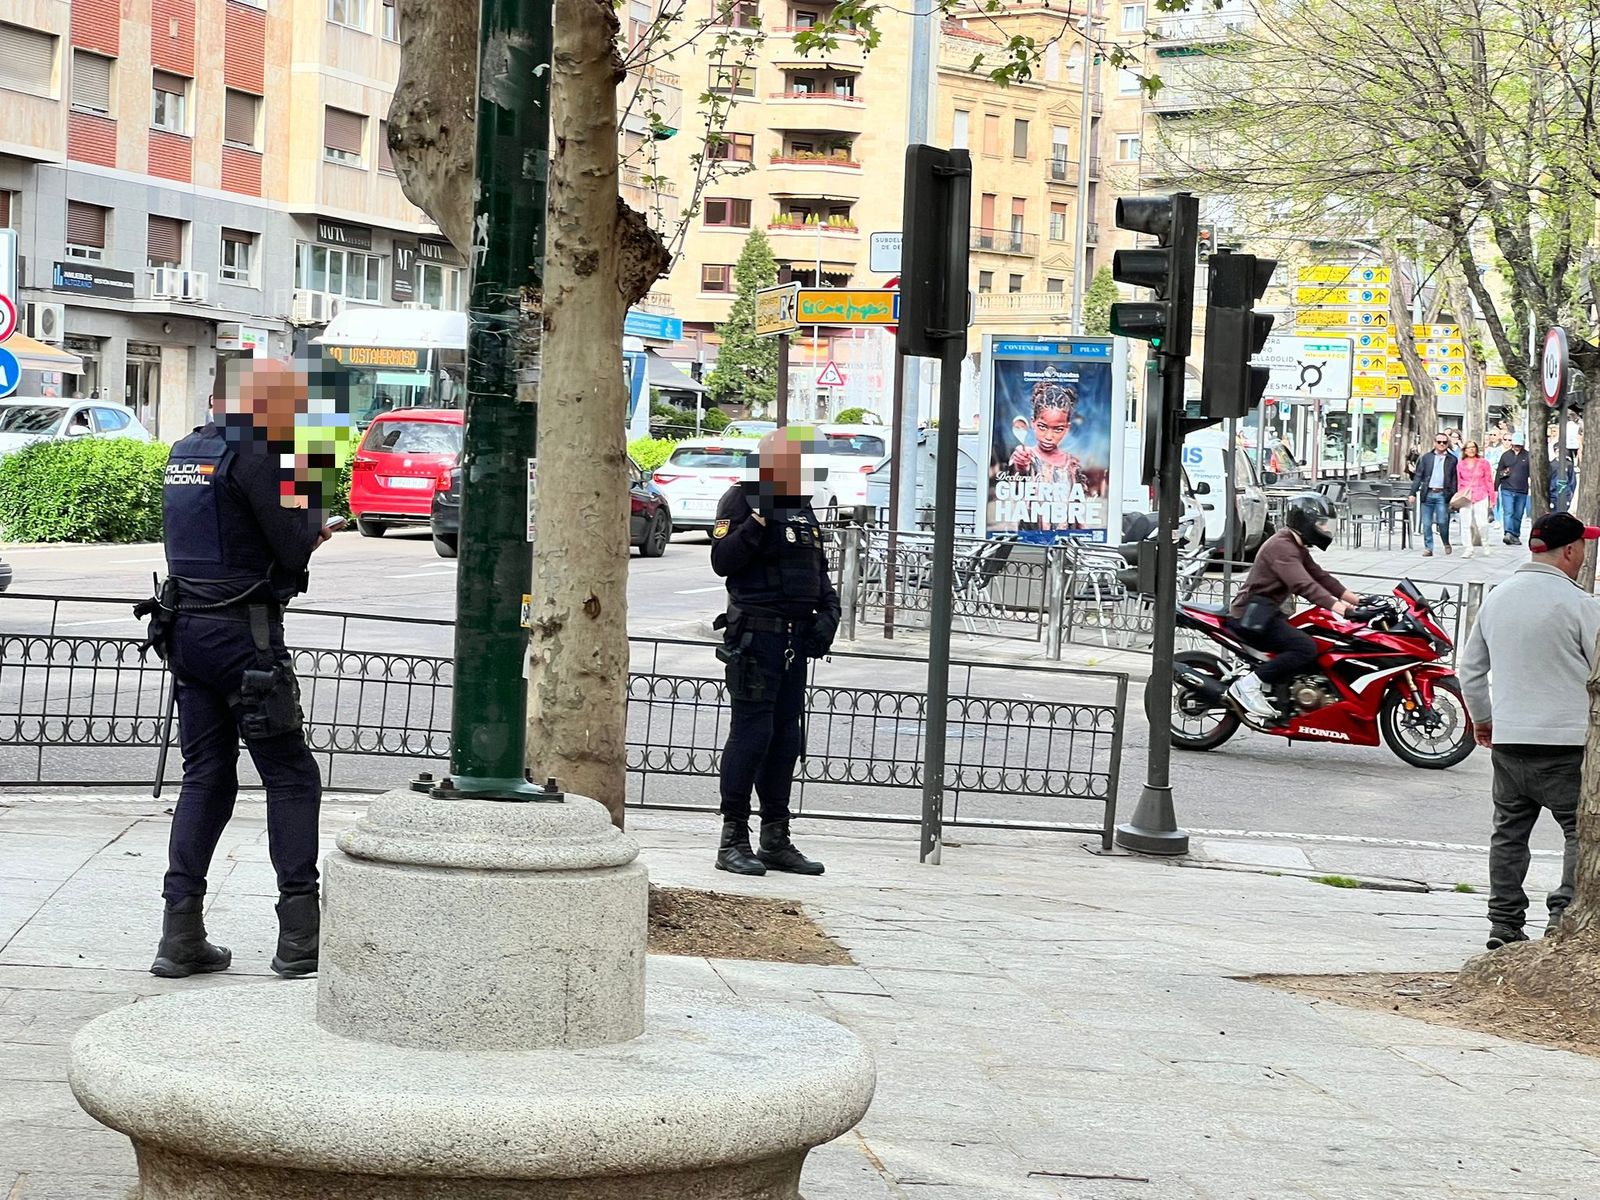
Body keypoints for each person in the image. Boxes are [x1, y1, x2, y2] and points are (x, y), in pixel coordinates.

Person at [138, 360, 333, 979]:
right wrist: (312, 518)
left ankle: (180, 931)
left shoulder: (185, 450)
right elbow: (294, 543)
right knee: (291, 774)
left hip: (186, 633)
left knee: (206, 775)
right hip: (245, 637)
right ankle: (299, 936)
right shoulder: (258, 453)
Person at [1457, 512, 1600, 950]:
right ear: (1571, 550)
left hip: (1509, 735)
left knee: (1509, 831)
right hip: (1566, 740)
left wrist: (1483, 719)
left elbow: (1470, 669)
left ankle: (1504, 923)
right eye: (1583, 548)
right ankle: (1562, 915)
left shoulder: (1498, 598)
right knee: (1578, 829)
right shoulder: (1580, 604)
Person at [709, 427, 840, 877]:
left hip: (794, 642)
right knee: (753, 735)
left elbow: (818, 573)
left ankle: (776, 838)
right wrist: (759, 520)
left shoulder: (803, 508)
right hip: (755, 639)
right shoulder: (741, 499)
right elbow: (723, 561)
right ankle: (733, 839)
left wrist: (828, 614)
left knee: (786, 739)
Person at [1224, 493, 1368, 720]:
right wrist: (1343, 610)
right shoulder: (1282, 548)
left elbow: (1320, 577)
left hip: (1267, 613)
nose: (1325, 529)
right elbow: (1304, 584)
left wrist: (1359, 601)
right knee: (1305, 648)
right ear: (1304, 522)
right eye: (1321, 524)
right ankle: (1249, 685)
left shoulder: (1295, 545)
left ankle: (1287, 694)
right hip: (1250, 617)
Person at [1409, 432, 1459, 557]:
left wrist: (1453, 494)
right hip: (1428, 493)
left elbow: (1454, 479)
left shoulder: (1452, 459)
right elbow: (1418, 476)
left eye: (1444, 442)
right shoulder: (1426, 458)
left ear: (1447, 444)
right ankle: (1428, 548)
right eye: (1439, 442)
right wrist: (1412, 492)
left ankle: (1446, 542)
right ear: (1434, 443)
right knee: (1426, 523)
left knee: (1442, 521)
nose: (1441, 444)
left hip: (1443, 494)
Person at [1455, 441, 1495, 559]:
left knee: (1482, 523)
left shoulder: (1483, 463)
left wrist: (1492, 498)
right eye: (1468, 448)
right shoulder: (1460, 464)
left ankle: (1485, 542)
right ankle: (1468, 547)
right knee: (1465, 523)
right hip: (1465, 496)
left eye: (1473, 447)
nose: (1471, 450)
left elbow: (1489, 480)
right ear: (1464, 450)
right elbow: (1459, 481)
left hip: (1481, 494)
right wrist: (1458, 496)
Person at [1495, 431, 1531, 544]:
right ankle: (1508, 533)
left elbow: (1532, 472)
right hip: (1507, 488)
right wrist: (1495, 488)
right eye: (1515, 445)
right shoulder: (1505, 456)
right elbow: (1498, 472)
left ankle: (1515, 534)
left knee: (1518, 514)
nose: (1517, 447)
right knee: (1508, 512)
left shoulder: (1528, 456)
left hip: (1522, 490)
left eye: (1519, 445)